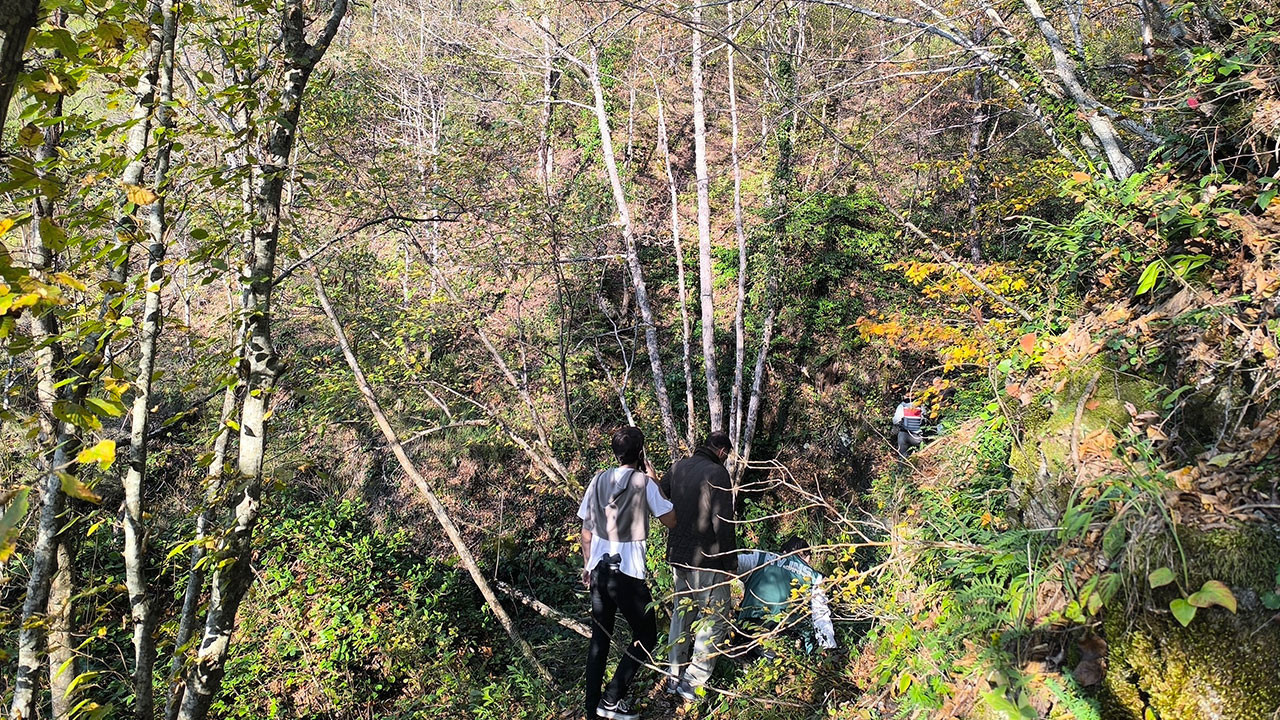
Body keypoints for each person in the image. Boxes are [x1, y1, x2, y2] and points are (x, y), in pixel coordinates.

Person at [578, 426, 677, 720]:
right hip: (628, 572)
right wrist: (656, 482)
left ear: (615, 452)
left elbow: (586, 530)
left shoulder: (598, 480)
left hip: (598, 570)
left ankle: (592, 709)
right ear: (640, 452)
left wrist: (587, 565)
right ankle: (611, 699)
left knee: (599, 639)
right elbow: (670, 520)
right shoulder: (643, 483)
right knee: (647, 634)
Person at [660, 431, 736, 702]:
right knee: (715, 618)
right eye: (727, 455)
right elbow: (723, 524)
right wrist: (731, 562)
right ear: (722, 452)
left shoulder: (678, 466)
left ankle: (674, 675)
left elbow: (660, 493)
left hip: (679, 557)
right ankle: (693, 682)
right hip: (708, 559)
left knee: (682, 615)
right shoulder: (718, 474)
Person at [728, 537, 836, 661]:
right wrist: (828, 648)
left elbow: (729, 566)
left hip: (749, 627)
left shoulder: (760, 557)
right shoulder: (814, 576)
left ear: (783, 552)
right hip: (787, 631)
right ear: (807, 558)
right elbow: (821, 615)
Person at [892, 392, 925, 457]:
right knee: (919, 456)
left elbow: (896, 420)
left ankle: (902, 465)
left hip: (904, 434)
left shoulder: (902, 406)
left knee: (903, 456)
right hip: (917, 437)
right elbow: (924, 419)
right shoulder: (920, 406)